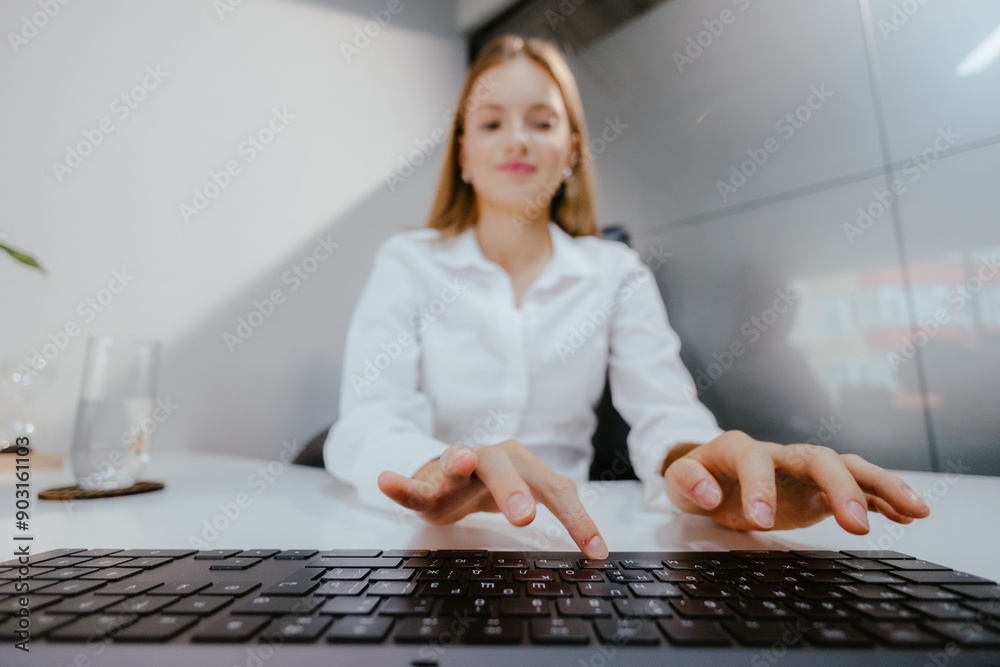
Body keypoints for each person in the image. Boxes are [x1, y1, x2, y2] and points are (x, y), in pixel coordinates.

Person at [323, 34, 929, 560]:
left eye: (542, 122)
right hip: (427, 543)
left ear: (572, 151)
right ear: (462, 155)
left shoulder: (615, 272)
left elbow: (666, 415)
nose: (517, 140)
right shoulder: (408, 262)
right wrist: (436, 469)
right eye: (490, 123)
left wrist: (701, 468)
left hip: (565, 543)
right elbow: (369, 420)